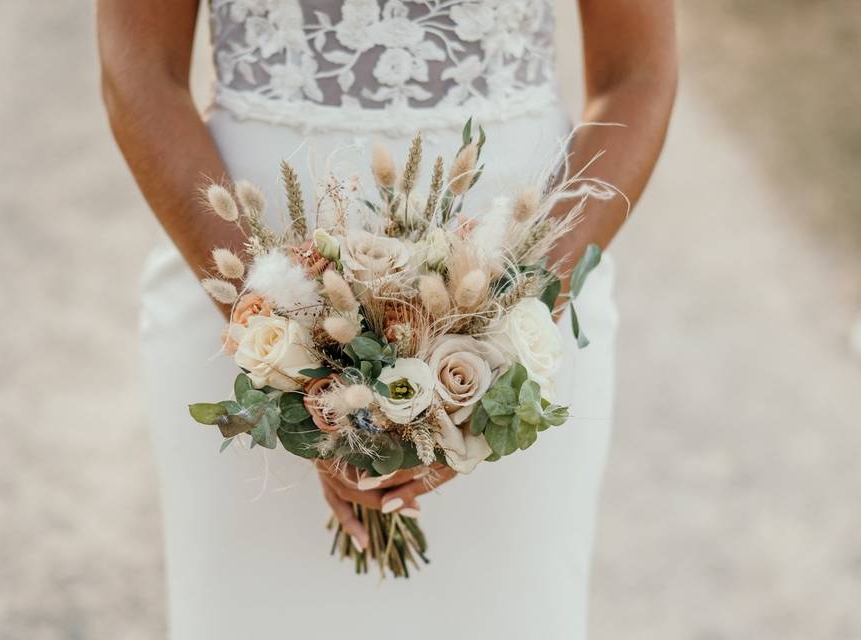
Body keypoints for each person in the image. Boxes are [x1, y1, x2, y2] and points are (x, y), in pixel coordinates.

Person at [99, 1, 676, 637]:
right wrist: (280, 334)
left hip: (527, 267)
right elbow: (140, 70)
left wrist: (504, 324)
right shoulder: (254, 307)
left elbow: (638, 73)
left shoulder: (523, 302)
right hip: (234, 261)